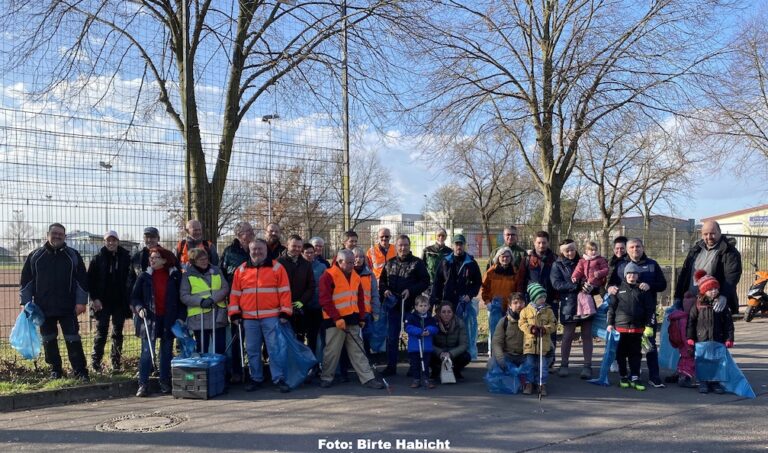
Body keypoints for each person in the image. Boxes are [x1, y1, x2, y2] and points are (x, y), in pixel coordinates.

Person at [20, 223, 89, 380]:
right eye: (54, 233)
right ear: (47, 235)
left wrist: (81, 302)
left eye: (60, 234)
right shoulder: (35, 256)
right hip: (43, 308)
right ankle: (56, 370)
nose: (57, 236)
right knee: (48, 339)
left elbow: (82, 281)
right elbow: (26, 282)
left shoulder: (73, 255)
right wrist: (25, 303)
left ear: (65, 236)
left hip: (68, 307)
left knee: (73, 339)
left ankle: (80, 371)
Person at [228, 239, 293, 393]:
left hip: (272, 316)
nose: (257, 252)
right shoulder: (241, 270)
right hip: (249, 318)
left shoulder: (277, 268)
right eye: (254, 249)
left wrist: (285, 311)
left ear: (266, 250)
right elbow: (235, 294)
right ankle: (256, 378)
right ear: (249, 251)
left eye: (260, 249)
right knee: (252, 350)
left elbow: (285, 291)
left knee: (274, 349)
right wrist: (234, 313)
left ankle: (278, 378)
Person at [318, 249, 385, 390]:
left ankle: (368, 378)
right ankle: (326, 377)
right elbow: (325, 300)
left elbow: (360, 298)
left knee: (358, 350)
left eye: (352, 262)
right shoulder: (328, 275)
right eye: (348, 263)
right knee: (332, 351)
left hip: (353, 319)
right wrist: (337, 318)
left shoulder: (355, 276)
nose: (351, 265)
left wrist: (361, 317)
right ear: (339, 261)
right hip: (334, 321)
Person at [607, 238, 667, 388]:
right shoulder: (620, 266)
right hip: (624, 319)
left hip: (646, 315)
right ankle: (627, 375)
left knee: (649, 345)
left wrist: (650, 285)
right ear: (627, 249)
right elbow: (610, 285)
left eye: (638, 246)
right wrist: (609, 289)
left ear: (643, 247)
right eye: (632, 247)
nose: (635, 249)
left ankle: (654, 376)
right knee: (625, 349)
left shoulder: (652, 264)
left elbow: (663, 284)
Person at [131, 247, 182, 397]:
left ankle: (165, 382)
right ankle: (143, 384)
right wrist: (139, 308)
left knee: (166, 353)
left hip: (168, 320)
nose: (151, 260)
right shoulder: (144, 276)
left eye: (155, 257)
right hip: (150, 320)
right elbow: (134, 297)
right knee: (147, 353)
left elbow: (181, 300)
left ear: (165, 260)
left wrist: (180, 317)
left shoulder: (175, 276)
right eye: (151, 257)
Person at [379, 234, 430, 375]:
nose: (403, 248)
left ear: (409, 246)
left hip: (411, 307)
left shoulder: (417, 263)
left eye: (405, 245)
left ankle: (414, 367)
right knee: (392, 337)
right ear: (396, 246)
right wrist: (385, 290)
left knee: (413, 336)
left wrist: (411, 290)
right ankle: (391, 366)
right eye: (400, 245)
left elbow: (425, 281)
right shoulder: (389, 263)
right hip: (394, 306)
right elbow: (382, 282)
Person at [674, 220, 742, 315]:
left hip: (714, 304)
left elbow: (732, 277)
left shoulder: (729, 252)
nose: (709, 237)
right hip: (691, 303)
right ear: (701, 234)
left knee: (713, 329)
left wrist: (723, 296)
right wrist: (678, 297)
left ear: (719, 232)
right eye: (705, 234)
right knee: (690, 329)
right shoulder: (695, 250)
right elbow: (684, 274)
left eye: (712, 233)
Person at [87, 230, 132, 373]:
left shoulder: (126, 258)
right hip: (102, 302)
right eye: (108, 240)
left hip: (119, 302)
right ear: (104, 242)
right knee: (101, 333)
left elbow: (130, 278)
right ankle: (95, 363)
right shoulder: (97, 259)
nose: (111, 243)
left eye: (114, 240)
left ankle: (116, 363)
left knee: (117, 333)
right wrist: (94, 299)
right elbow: (90, 282)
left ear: (118, 241)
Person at [606, 263, 655, 391]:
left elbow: (650, 309)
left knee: (635, 354)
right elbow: (611, 308)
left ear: (638, 275)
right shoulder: (617, 290)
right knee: (620, 354)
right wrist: (610, 324)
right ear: (625, 275)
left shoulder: (643, 289)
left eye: (634, 273)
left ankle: (635, 377)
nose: (631, 276)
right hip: (620, 328)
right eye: (629, 273)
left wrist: (649, 325)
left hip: (637, 328)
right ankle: (623, 376)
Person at [551, 239, 595, 379]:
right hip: (568, 305)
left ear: (576, 248)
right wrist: (574, 286)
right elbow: (557, 284)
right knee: (568, 335)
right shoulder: (557, 265)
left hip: (586, 303)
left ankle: (587, 366)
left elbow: (594, 278)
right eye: (567, 250)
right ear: (562, 252)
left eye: (572, 249)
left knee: (587, 335)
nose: (570, 252)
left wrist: (591, 287)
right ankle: (564, 365)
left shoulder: (585, 261)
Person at [687, 271, 735, 394]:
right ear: (703, 291)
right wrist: (690, 337)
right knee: (703, 361)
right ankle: (703, 382)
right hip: (701, 339)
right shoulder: (697, 305)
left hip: (718, 339)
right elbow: (691, 322)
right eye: (710, 289)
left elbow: (728, 323)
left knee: (716, 361)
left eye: (716, 288)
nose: (714, 291)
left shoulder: (722, 305)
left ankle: (715, 382)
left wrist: (729, 338)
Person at [220, 221, 254, 384]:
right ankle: (236, 371)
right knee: (237, 337)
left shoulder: (257, 249)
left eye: (251, 230)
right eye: (248, 231)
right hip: (237, 300)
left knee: (256, 338)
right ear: (239, 235)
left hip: (256, 299)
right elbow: (222, 275)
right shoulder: (229, 252)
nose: (252, 233)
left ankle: (256, 370)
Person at [180, 248, 230, 356]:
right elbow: (184, 296)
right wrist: (200, 301)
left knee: (220, 348)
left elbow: (225, 288)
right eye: (200, 259)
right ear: (193, 261)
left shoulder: (216, 271)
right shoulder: (187, 275)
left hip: (217, 316)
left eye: (205, 258)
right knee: (202, 348)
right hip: (199, 318)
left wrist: (213, 299)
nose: (204, 261)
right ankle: (203, 371)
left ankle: (219, 371)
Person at [519, 283, 557, 396]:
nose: (543, 299)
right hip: (530, 344)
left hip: (543, 344)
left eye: (544, 297)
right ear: (534, 298)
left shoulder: (548, 311)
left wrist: (545, 329)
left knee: (543, 366)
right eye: (540, 297)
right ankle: (529, 383)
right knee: (529, 365)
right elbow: (521, 324)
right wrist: (531, 329)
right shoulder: (525, 311)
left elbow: (554, 324)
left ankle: (541, 384)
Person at [277, 234, 316, 344]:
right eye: (294, 246)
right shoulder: (278, 263)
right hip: (282, 308)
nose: (297, 249)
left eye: (299, 247)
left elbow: (311, 286)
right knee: (281, 339)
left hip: (300, 309)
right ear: (287, 245)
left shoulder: (306, 264)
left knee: (299, 337)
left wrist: (302, 301)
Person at [429, 234, 482, 310]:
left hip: (464, 301)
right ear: (452, 245)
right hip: (447, 300)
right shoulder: (445, 262)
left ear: (465, 245)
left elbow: (477, 282)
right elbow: (437, 282)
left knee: (463, 322)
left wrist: (469, 295)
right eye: (456, 244)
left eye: (461, 244)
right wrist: (437, 301)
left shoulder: (471, 262)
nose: (459, 247)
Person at [430, 301, 471, 381]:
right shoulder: (432, 323)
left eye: (449, 312)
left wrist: (451, 354)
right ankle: (435, 371)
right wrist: (440, 353)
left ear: (453, 313)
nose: (446, 314)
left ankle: (456, 371)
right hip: (438, 352)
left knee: (466, 356)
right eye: (443, 312)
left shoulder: (459, 323)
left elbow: (464, 344)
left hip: (453, 351)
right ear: (439, 313)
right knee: (427, 352)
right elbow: (429, 343)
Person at [404, 295, 439, 388]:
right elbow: (408, 328)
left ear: (428, 306)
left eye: (425, 305)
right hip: (415, 347)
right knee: (415, 364)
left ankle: (426, 379)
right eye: (421, 306)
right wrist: (420, 332)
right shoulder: (411, 317)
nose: (423, 308)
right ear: (416, 307)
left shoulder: (431, 318)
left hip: (426, 347)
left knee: (426, 364)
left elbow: (435, 328)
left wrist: (428, 330)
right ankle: (416, 379)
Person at [571, 240, 609, 319]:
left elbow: (606, 269)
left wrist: (599, 273)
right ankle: (584, 312)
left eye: (595, 250)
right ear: (586, 251)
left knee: (605, 296)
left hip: (599, 284)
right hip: (588, 284)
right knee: (582, 295)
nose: (593, 252)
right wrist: (574, 277)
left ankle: (609, 309)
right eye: (591, 250)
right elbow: (578, 270)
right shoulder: (582, 261)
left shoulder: (600, 259)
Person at [302, 243, 327, 358]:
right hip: (302, 306)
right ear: (302, 253)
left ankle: (317, 361)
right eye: (307, 253)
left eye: (311, 253)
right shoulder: (299, 267)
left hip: (317, 306)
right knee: (305, 336)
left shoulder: (321, 267)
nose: (310, 255)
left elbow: (327, 286)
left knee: (317, 336)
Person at [481, 247, 524, 312]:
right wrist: (487, 302)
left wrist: (515, 304)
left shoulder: (515, 273)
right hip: (494, 306)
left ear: (511, 258)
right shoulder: (491, 272)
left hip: (510, 307)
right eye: (503, 256)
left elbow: (517, 290)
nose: (505, 258)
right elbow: (484, 287)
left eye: (507, 256)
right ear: (498, 257)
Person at [353, 246, 379, 353]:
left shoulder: (369, 275)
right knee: (353, 341)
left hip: (366, 313)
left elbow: (374, 294)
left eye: (361, 257)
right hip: (352, 312)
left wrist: (376, 311)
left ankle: (367, 361)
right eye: (355, 257)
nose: (358, 259)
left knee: (367, 338)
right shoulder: (347, 274)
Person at [491, 292, 526, 369]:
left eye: (521, 302)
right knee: (492, 363)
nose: (519, 305)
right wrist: (502, 362)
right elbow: (496, 343)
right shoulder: (504, 321)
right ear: (510, 305)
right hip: (508, 356)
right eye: (515, 303)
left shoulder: (531, 321)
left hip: (525, 357)